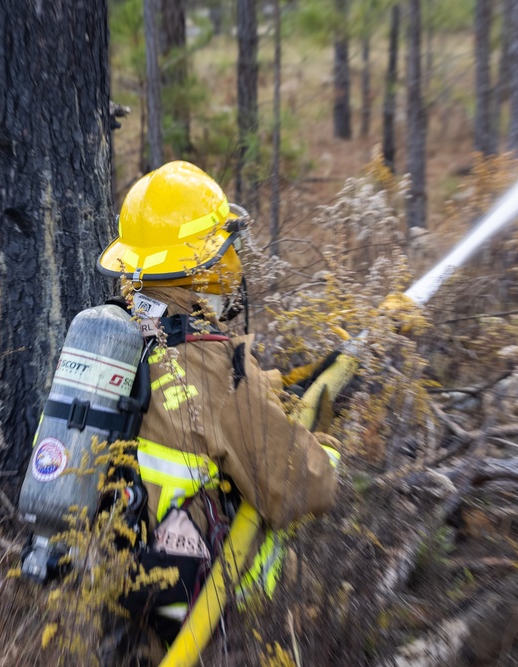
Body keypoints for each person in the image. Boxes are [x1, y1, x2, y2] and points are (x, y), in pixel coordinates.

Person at [96, 160, 340, 655]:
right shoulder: (213, 365)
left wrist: (274, 387)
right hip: (202, 619)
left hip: (115, 590)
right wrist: (329, 450)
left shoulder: (110, 336)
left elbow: (190, 409)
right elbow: (299, 487)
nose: (229, 259)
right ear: (198, 261)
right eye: (221, 246)